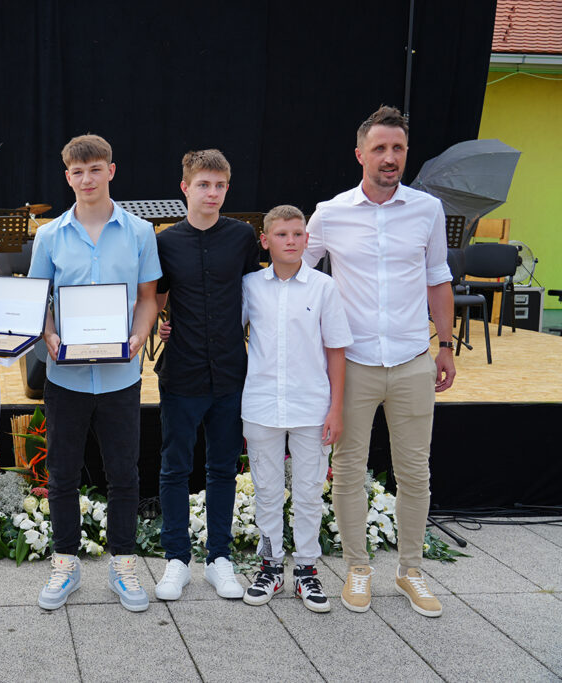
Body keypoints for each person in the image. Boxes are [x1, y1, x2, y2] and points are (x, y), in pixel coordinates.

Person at [303, 105, 456, 618]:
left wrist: (447, 345)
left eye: (398, 149)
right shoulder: (329, 212)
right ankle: (357, 568)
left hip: (413, 360)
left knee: (415, 473)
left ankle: (411, 571)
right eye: (380, 149)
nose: (390, 158)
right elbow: (297, 274)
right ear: (360, 154)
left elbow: (438, 279)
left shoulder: (428, 211)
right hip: (355, 364)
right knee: (349, 471)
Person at [28, 134, 161, 613]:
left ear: (111, 170)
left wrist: (139, 337)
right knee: (62, 473)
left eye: (95, 169)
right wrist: (48, 336)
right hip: (64, 378)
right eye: (77, 172)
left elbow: (148, 298)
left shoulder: (141, 233)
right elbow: (36, 301)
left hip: (121, 376)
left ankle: (123, 564)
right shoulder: (48, 236)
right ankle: (66, 562)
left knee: (123, 474)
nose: (87, 179)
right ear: (68, 177)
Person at [152, 150, 259, 602]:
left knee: (222, 469)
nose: (211, 193)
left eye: (219, 186)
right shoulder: (164, 241)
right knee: (174, 468)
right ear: (185, 188)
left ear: (227, 189)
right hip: (181, 371)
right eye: (203, 185)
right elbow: (153, 299)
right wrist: (158, 322)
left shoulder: (242, 237)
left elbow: (255, 299)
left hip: (232, 374)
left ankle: (220, 559)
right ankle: (177, 559)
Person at [240, 205, 353, 612]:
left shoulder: (324, 287)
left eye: (298, 234)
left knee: (308, 492)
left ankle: (306, 568)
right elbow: (223, 330)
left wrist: (335, 409)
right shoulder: (250, 285)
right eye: (282, 234)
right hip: (261, 403)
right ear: (265, 241)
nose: (291, 241)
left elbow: (336, 350)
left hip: (311, 406)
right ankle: (270, 565)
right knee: (268, 489)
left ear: (308, 239)